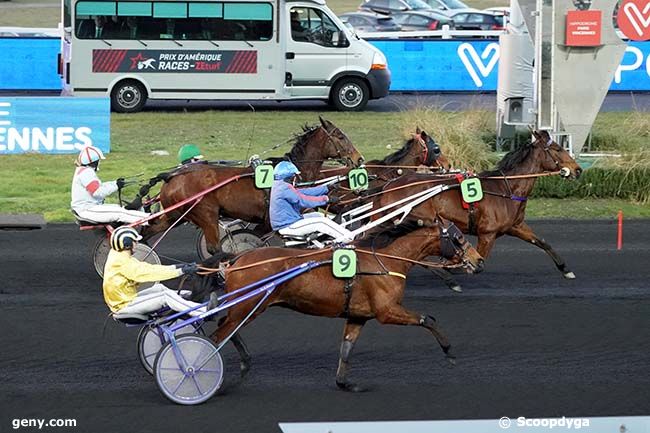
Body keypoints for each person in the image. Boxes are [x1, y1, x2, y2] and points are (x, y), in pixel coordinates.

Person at [103, 226, 209, 317]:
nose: (137, 244)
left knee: (160, 288)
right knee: (165, 296)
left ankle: (184, 299)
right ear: (127, 244)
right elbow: (150, 273)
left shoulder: (118, 255)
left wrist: (177, 267)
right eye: (135, 241)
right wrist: (181, 271)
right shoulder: (122, 262)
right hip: (124, 305)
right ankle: (203, 311)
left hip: (127, 298)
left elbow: (148, 267)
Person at [270, 161, 353, 242]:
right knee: (322, 222)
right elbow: (303, 200)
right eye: (295, 176)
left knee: (318, 215)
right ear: (290, 176)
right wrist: (326, 199)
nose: (296, 178)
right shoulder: (284, 188)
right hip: (288, 226)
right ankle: (349, 238)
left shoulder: (279, 185)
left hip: (290, 222)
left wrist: (326, 188)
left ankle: (339, 227)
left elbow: (305, 192)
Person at [71, 145, 150, 224]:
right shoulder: (87, 173)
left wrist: (115, 183)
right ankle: (151, 219)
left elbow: (100, 187)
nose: (99, 162)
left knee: (119, 208)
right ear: (94, 162)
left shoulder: (84, 171)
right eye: (99, 160)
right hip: (87, 209)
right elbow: (98, 192)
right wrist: (116, 186)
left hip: (87, 208)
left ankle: (146, 217)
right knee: (120, 213)